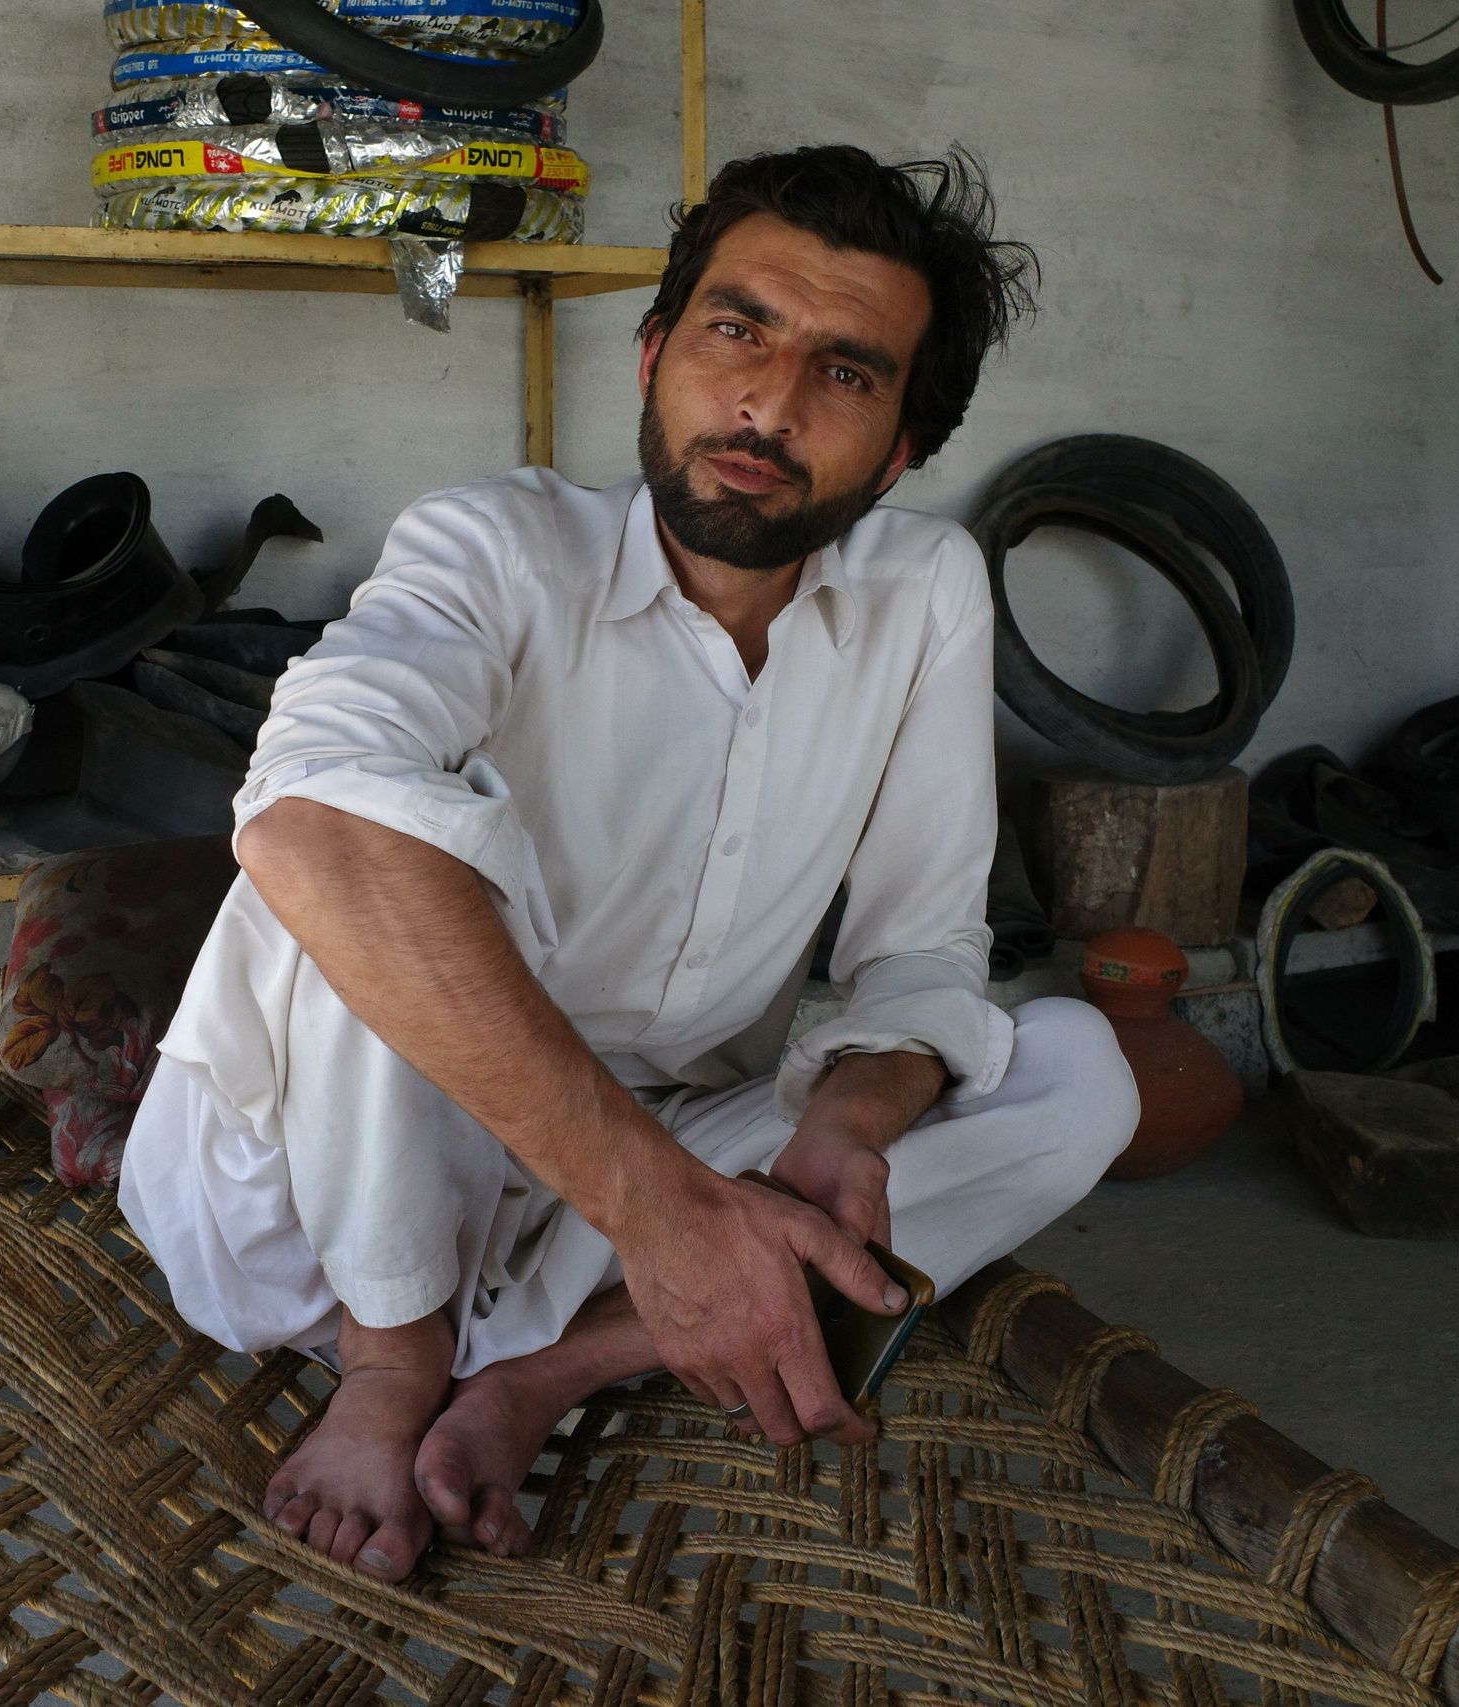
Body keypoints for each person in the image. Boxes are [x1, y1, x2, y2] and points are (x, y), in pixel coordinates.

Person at [119, 144, 1140, 1583]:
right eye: (737, 331)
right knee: (374, 836)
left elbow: (920, 949)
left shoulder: (924, 596)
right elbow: (311, 830)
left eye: (846, 374)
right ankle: (396, 1366)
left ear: (906, 446)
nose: (768, 406)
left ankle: (556, 1372)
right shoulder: (492, 547)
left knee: (1080, 1070)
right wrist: (660, 1211)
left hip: (639, 1174)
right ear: (656, 353)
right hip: (305, 1213)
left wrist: (852, 1117)